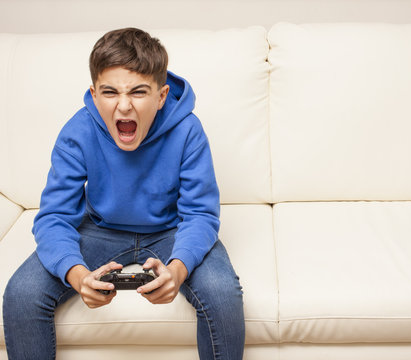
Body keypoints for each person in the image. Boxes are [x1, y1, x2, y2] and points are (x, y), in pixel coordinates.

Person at [2, 27, 245, 360]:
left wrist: (176, 270)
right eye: (110, 92)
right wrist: (78, 275)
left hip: (171, 232)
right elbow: (55, 217)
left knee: (222, 291)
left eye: (139, 92)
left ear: (161, 96)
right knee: (21, 294)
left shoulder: (188, 131)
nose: (124, 106)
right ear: (94, 93)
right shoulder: (79, 131)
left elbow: (200, 214)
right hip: (101, 230)